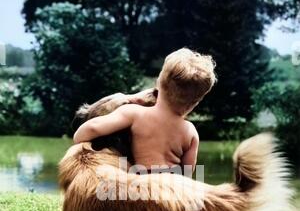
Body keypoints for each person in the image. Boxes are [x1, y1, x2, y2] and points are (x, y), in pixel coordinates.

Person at [73, 48, 216, 174]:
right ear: (195, 103)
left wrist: (78, 137)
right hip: (171, 194)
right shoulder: (190, 132)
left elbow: (92, 128)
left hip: (140, 189)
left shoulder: (134, 113)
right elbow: (187, 173)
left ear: (158, 83)